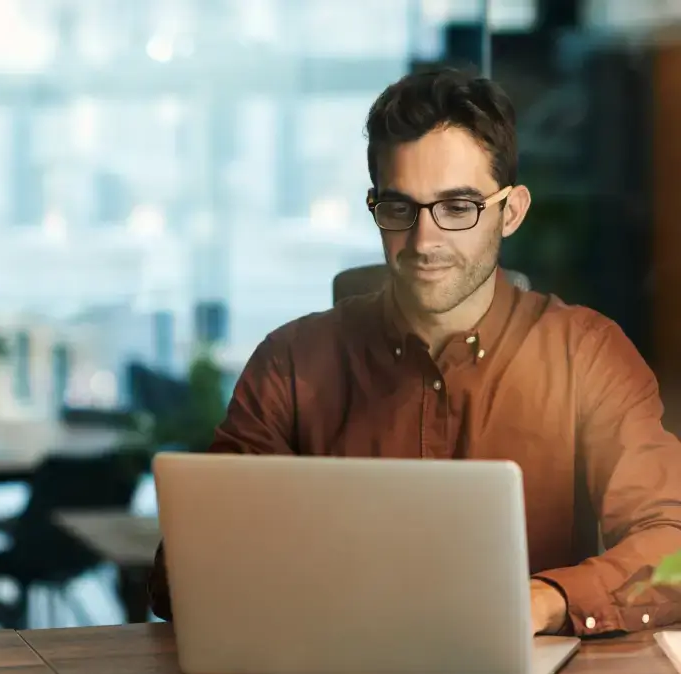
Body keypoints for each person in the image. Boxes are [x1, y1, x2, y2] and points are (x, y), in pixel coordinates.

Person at [147, 67, 681, 636]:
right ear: (375, 207)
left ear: (512, 210)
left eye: (458, 207)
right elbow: (184, 571)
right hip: (331, 673)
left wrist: (545, 600)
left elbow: (670, 545)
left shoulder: (587, 357)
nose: (425, 242)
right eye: (400, 208)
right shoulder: (292, 363)